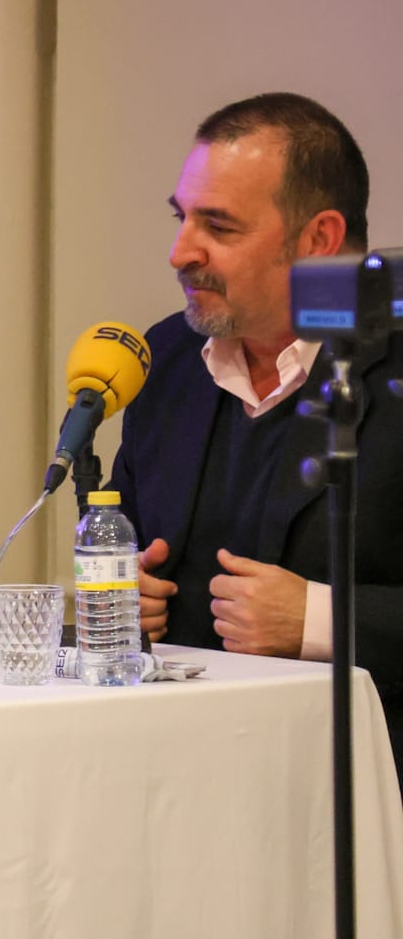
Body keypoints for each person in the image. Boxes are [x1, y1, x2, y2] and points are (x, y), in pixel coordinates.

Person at [110, 92, 403, 760]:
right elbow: (127, 542)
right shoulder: (167, 361)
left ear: (319, 239)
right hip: (181, 765)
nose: (180, 252)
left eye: (218, 226)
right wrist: (121, 598)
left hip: (369, 781)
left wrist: (321, 621)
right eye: (182, 218)